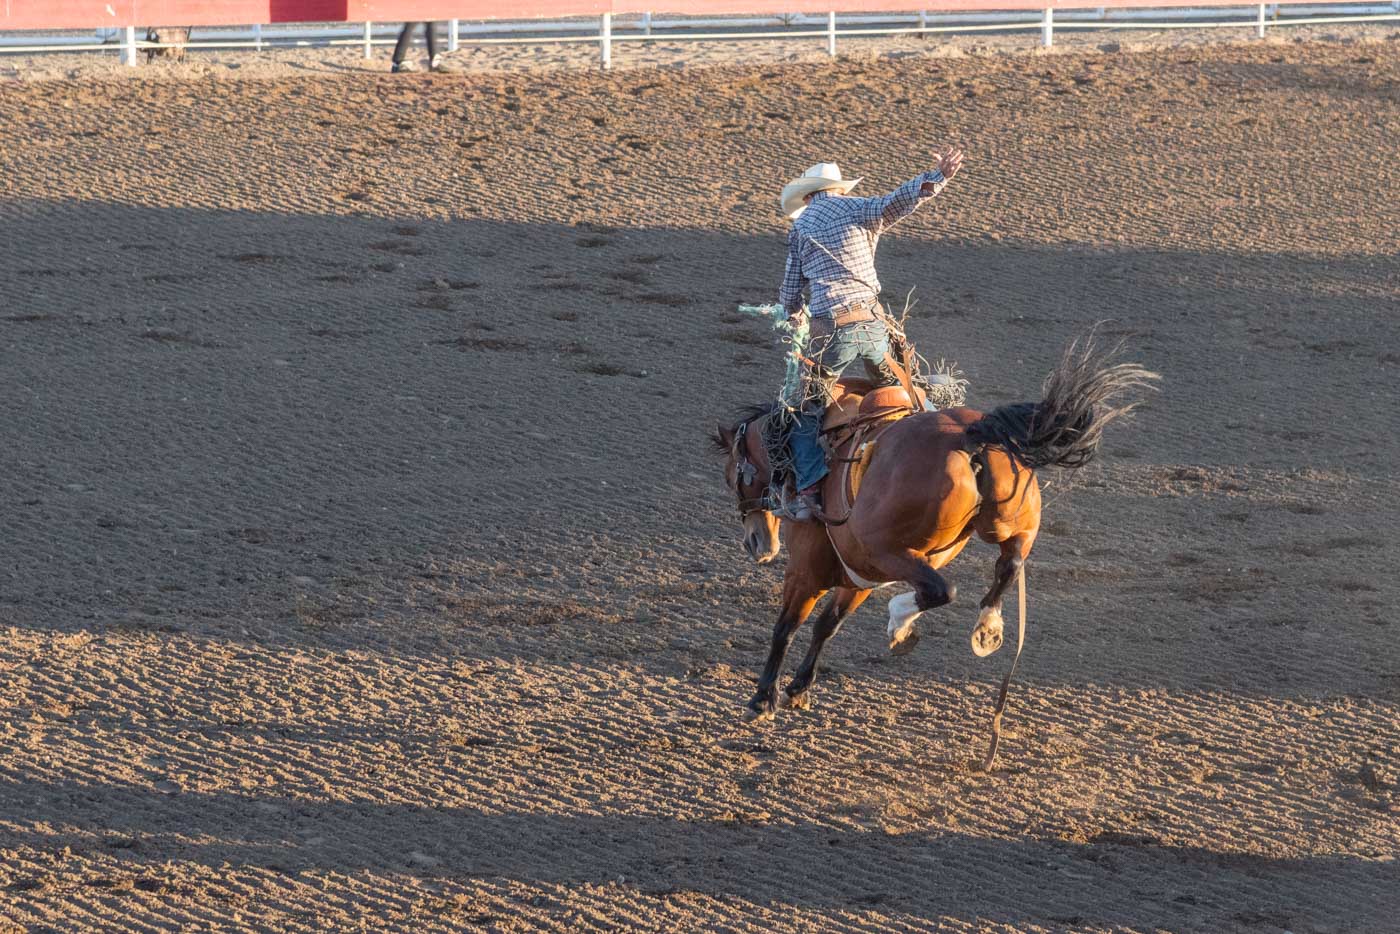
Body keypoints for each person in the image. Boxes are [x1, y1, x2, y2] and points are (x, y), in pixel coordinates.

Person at [777, 152, 964, 521]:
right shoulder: (860, 208)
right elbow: (896, 203)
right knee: (904, 391)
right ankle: (946, 440)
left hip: (833, 332)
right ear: (836, 188)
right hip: (875, 327)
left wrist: (795, 319)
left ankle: (810, 491)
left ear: (809, 195)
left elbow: (789, 295)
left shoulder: (800, 229)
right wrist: (937, 177)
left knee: (804, 408)